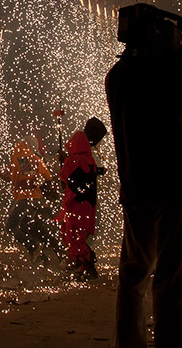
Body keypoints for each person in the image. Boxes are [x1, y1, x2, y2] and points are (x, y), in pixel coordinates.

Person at [106, 4, 182, 348]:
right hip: (173, 184)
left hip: (136, 187)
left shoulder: (116, 75)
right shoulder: (164, 72)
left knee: (133, 275)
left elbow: (154, 107)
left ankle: (128, 343)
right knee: (173, 278)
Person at [57, 117, 107, 280]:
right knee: (77, 235)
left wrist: (65, 162)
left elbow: (66, 178)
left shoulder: (80, 157)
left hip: (77, 203)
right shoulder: (88, 155)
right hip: (84, 203)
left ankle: (85, 264)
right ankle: (84, 261)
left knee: (75, 235)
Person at [6, 130, 59, 264]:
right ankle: (39, 256)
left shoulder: (23, 158)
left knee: (11, 227)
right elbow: (43, 176)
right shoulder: (33, 158)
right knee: (27, 226)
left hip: (26, 198)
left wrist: (12, 179)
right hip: (33, 198)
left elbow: (27, 179)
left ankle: (33, 246)